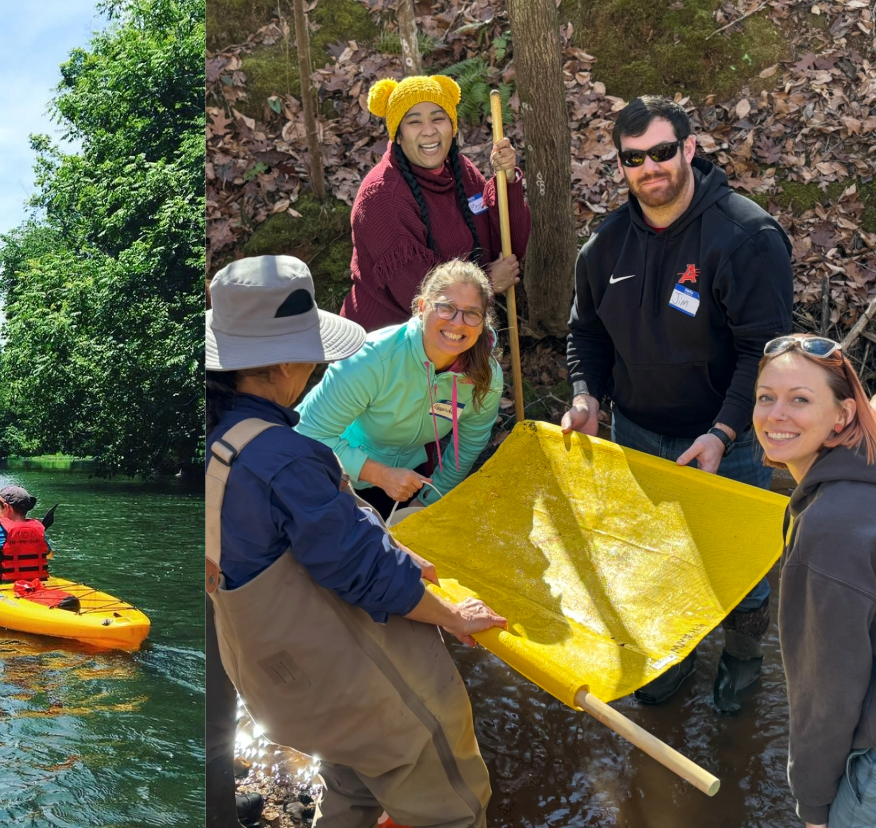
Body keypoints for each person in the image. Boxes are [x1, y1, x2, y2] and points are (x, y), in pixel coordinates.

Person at [208, 254, 506, 828]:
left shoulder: (221, 435)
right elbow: (360, 569)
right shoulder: (285, 458)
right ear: (288, 359)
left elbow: (314, 535)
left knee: (351, 776)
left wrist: (397, 532)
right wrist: (452, 615)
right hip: (336, 679)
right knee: (449, 785)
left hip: (274, 681)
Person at [562, 95, 794, 711]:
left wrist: (722, 430)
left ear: (689, 149)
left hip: (732, 439)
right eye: (634, 158)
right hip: (639, 434)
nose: (650, 168)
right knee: (658, 559)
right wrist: (587, 396)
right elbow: (585, 333)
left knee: (738, 571)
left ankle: (742, 663)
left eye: (663, 152)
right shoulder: (604, 248)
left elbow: (766, 354)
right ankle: (675, 652)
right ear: (621, 166)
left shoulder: (747, 237)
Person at [749, 334, 876, 828]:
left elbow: (826, 693)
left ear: (843, 416)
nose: (775, 415)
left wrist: (814, 807)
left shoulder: (830, 529)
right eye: (766, 397)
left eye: (800, 400)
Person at [296, 260, 503, 518]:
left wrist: (428, 501)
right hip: (327, 471)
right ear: (422, 307)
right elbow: (307, 435)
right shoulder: (371, 359)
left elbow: (468, 444)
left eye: (472, 313)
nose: (458, 323)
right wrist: (380, 475)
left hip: (406, 481)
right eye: (446, 308)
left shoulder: (486, 374)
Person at [342, 74, 527, 333]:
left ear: (452, 126)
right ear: (398, 134)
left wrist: (506, 182)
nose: (429, 130)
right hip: (390, 349)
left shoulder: (459, 170)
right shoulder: (382, 199)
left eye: (438, 118)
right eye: (414, 122)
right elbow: (420, 299)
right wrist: (486, 284)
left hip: (454, 334)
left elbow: (510, 247)